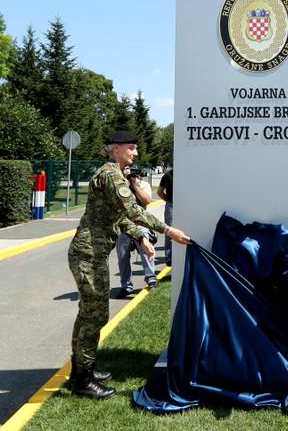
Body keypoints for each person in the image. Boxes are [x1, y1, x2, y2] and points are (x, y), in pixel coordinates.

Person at [68, 131, 190, 400]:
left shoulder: (114, 173)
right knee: (94, 316)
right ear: (115, 149)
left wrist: (139, 236)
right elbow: (134, 211)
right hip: (89, 253)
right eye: (131, 148)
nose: (135, 153)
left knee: (87, 314)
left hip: (92, 252)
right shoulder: (111, 175)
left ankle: (80, 372)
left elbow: (120, 217)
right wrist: (169, 231)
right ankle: (83, 380)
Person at [115, 166, 156, 298]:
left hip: (140, 224)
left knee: (145, 251)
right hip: (123, 225)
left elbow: (146, 201)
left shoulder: (144, 184)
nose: (129, 173)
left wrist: (135, 185)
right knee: (122, 257)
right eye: (126, 170)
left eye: (132, 171)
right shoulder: (119, 184)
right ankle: (126, 286)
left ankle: (151, 279)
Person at [157, 167, 174, 266]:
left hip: (183, 206)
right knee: (169, 231)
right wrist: (168, 201)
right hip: (171, 205)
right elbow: (159, 192)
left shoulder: (187, 174)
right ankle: (169, 259)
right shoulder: (168, 175)